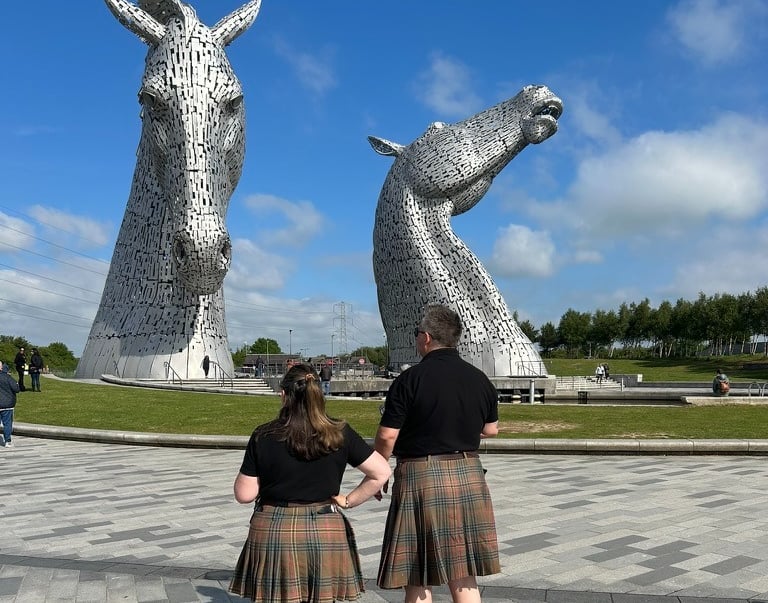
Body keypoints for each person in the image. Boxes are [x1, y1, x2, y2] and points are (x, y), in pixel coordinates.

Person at [229, 363, 391, 603]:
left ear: (284, 395)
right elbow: (381, 471)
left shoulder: (263, 435)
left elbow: (245, 494)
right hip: (325, 528)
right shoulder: (339, 432)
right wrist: (349, 500)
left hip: (275, 529)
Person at [375, 304, 500, 603]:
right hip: (469, 473)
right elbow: (491, 429)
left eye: (417, 333)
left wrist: (378, 470)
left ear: (427, 337)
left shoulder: (409, 380)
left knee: (417, 570)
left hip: (421, 475)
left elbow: (387, 434)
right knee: (463, 568)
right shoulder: (479, 379)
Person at [0, 361, 21, 448]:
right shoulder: (8, 378)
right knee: (7, 423)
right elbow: (16, 389)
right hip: (7, 404)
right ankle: (7, 441)